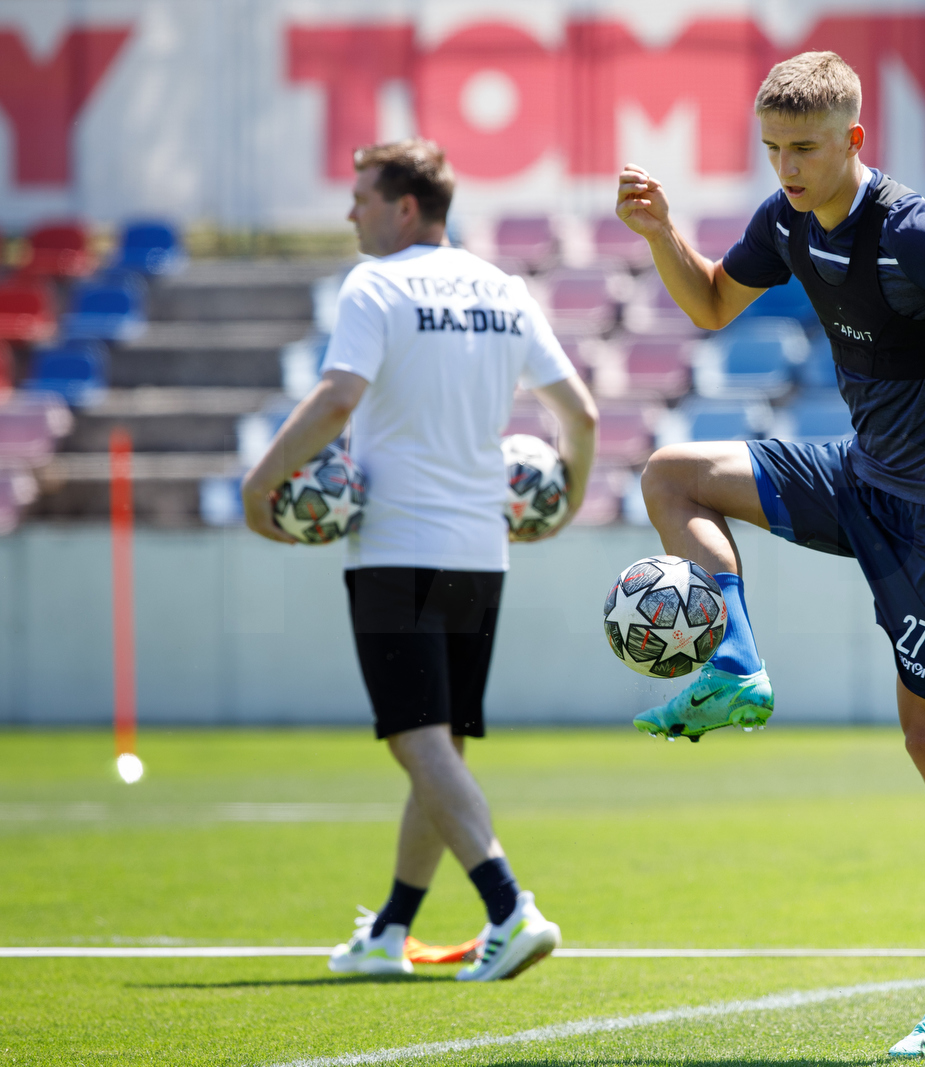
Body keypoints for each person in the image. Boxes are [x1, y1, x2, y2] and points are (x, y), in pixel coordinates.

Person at [615, 52, 925, 1057]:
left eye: (806, 147)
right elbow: (706, 302)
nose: (786, 165)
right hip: (858, 475)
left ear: (854, 141)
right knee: (671, 475)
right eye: (773, 147)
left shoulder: (911, 229)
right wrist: (660, 235)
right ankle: (736, 662)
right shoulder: (784, 221)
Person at [241, 138, 597, 982]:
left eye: (362, 194)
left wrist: (261, 485)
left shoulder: (376, 282)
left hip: (397, 545)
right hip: (482, 550)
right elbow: (577, 412)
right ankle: (390, 930)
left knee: (417, 740)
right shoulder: (503, 288)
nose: (350, 210)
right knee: (441, 747)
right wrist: (569, 500)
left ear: (406, 207)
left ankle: (510, 907)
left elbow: (337, 398)